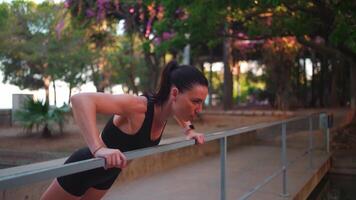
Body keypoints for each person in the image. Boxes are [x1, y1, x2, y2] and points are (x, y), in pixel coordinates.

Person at [41, 61, 209, 200]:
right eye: (196, 101)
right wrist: (99, 149)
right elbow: (80, 100)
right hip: (85, 167)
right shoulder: (138, 107)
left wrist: (189, 130)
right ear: (174, 93)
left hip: (109, 174)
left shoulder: (165, 109)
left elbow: (178, 111)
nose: (199, 109)